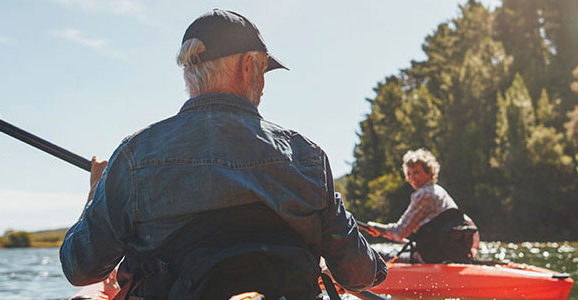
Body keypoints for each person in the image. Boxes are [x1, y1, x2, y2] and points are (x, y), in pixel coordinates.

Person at [61, 9, 387, 299]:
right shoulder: (308, 159)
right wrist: (376, 265)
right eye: (262, 71)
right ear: (247, 67)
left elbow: (81, 269)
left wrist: (95, 195)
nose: (262, 84)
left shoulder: (133, 158)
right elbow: (358, 274)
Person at [361, 149, 480, 263]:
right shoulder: (440, 191)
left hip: (429, 257)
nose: (412, 178)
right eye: (409, 174)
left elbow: (399, 232)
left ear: (429, 172)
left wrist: (379, 229)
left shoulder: (424, 194)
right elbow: (468, 223)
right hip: (445, 254)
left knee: (371, 252)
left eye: (416, 172)